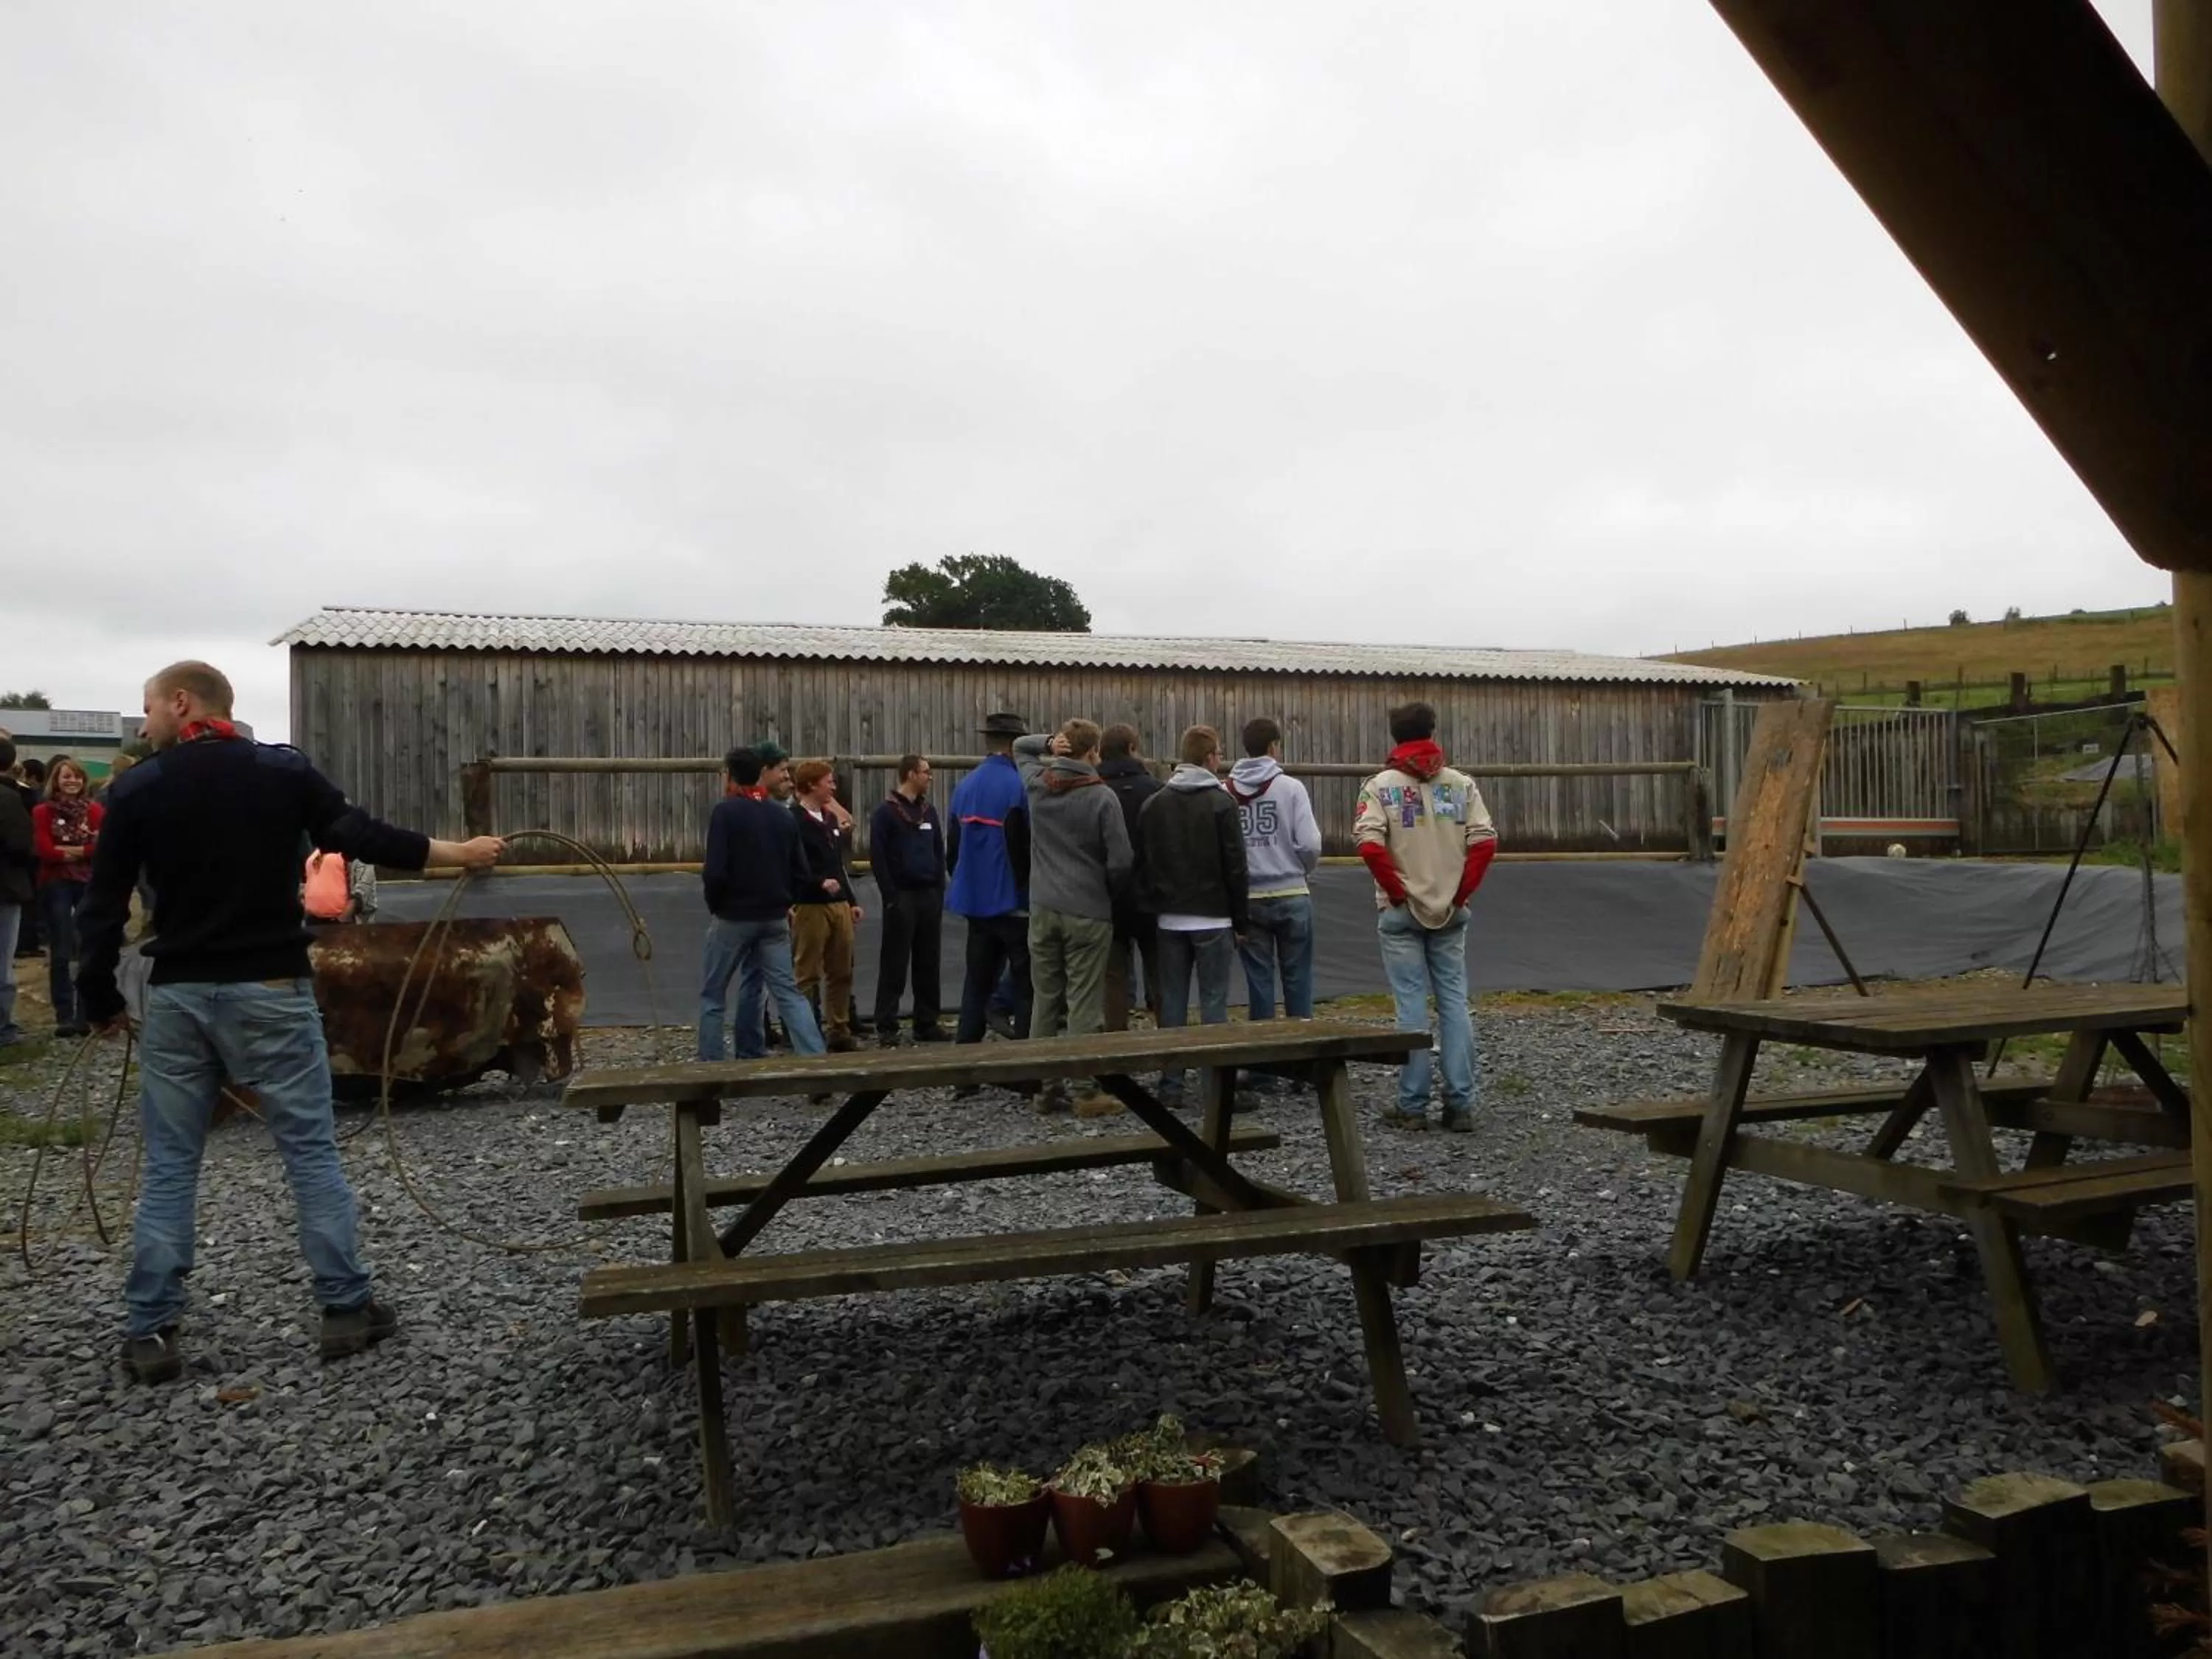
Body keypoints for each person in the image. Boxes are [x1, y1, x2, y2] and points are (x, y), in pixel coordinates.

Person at [74, 660, 505, 1383]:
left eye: (146, 709)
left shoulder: (136, 789)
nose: (143, 723)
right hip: (271, 987)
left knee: (173, 1164)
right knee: (308, 1152)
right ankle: (344, 1308)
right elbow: (358, 834)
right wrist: (455, 854)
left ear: (181, 704)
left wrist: (99, 999)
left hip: (179, 996)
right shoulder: (280, 772)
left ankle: (150, 1330)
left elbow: (102, 906)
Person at [1354, 700, 1499, 1133]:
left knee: (1410, 1006)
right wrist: (1461, 894)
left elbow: (1369, 844)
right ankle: (1461, 1103)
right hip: (1451, 909)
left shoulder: (1379, 787)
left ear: (1395, 736)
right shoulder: (1462, 785)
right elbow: (1485, 842)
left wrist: (1398, 893)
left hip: (1400, 911)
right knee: (1455, 1002)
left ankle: (1412, 1104)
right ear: (1432, 732)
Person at [1012, 720, 1133, 1112]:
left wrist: (1047, 743)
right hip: (1088, 908)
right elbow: (1121, 861)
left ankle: (1046, 1088)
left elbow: (1019, 747)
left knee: (1045, 998)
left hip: (1043, 905)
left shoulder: (1038, 786)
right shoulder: (1102, 798)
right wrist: (1108, 893)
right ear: (1094, 752)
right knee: (1083, 1000)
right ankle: (1085, 1090)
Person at [1135, 726, 1248, 1107]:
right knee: (1214, 1004)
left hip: (1169, 918)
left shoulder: (1155, 804)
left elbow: (1144, 862)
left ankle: (1171, 1085)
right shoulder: (1221, 804)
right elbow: (1235, 865)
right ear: (1211, 757)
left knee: (1173, 1005)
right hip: (1214, 917)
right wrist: (1241, 919)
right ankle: (1217, 1089)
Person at [698, 747, 826, 1062]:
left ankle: (711, 1068)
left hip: (734, 915)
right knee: (788, 993)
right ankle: (815, 1062)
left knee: (714, 995)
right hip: (774, 916)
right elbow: (802, 871)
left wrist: (717, 904)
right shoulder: (782, 816)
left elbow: (715, 871)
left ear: (730, 776)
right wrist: (786, 901)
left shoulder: (725, 814)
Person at [1228, 717, 1323, 1068]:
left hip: (1249, 896)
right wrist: (1302, 869)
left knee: (1259, 980)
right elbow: (1310, 843)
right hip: (1291, 890)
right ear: (1273, 747)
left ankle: (1265, 1065)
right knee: (1298, 976)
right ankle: (1304, 1061)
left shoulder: (1227, 791)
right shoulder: (1291, 788)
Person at [946, 712, 1034, 1068]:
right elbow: (1024, 846)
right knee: (1026, 986)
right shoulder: (1020, 786)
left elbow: (952, 850)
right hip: (1013, 903)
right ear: (1016, 745)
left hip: (974, 902)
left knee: (977, 983)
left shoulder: (964, 786)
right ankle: (1025, 1069)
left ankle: (964, 1069)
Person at [869, 754, 948, 1047]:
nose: (930, 777)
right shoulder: (886, 814)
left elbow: (938, 851)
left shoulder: (929, 812)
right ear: (911, 774)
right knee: (895, 962)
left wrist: (939, 889)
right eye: (926, 772)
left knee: (929, 961)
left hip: (928, 894)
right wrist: (890, 896)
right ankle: (887, 1023)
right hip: (902, 894)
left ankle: (926, 1021)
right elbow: (878, 857)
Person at [788, 759, 863, 1053]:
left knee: (841, 969)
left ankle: (839, 1029)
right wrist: (816, 883)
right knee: (806, 972)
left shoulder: (830, 820)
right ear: (810, 786)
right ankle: (805, 1031)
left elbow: (839, 866)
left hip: (839, 903)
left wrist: (851, 899)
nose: (833, 786)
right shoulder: (794, 820)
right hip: (811, 905)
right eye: (828, 781)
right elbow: (792, 864)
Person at [1096, 723, 1161, 1032]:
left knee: (1114, 978)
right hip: (1151, 895)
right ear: (1133, 749)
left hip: (1107, 895)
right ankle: (1170, 1045)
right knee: (1161, 972)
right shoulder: (1157, 791)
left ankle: (1114, 1048)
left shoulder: (1093, 790)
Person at [33, 758, 103, 1038]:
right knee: (61, 949)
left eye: (76, 777)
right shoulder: (42, 812)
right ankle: (64, 1014)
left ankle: (85, 1014)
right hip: (56, 883)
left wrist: (71, 851)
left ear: (83, 781)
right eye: (66, 777)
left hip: (88, 883)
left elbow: (100, 847)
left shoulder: (96, 811)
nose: (72, 781)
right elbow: (45, 851)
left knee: (88, 947)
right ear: (56, 780)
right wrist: (80, 849)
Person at [0, 737, 33, 1048]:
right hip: (5, 889)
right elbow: (22, 845)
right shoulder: (9, 799)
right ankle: (3, 1029)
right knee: (2, 964)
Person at [14, 756, 47, 958]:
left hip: (22, 857)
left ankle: (23, 943)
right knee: (30, 901)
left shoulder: (18, 794)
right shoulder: (31, 796)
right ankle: (27, 943)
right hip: (28, 856)